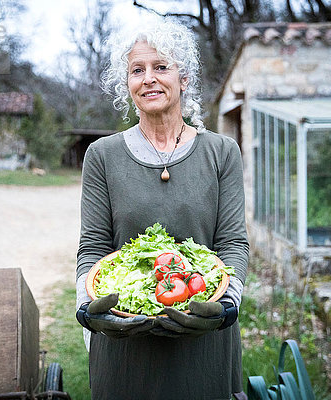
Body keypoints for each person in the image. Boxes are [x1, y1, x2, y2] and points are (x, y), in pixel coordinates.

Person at [75, 18, 249, 400]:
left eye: (161, 67)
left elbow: (233, 242)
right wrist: (88, 309)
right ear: (127, 84)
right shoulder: (102, 156)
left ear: (183, 78)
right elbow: (93, 247)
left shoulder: (221, 153)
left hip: (203, 341)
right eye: (137, 70)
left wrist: (227, 306)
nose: (149, 78)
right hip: (126, 341)